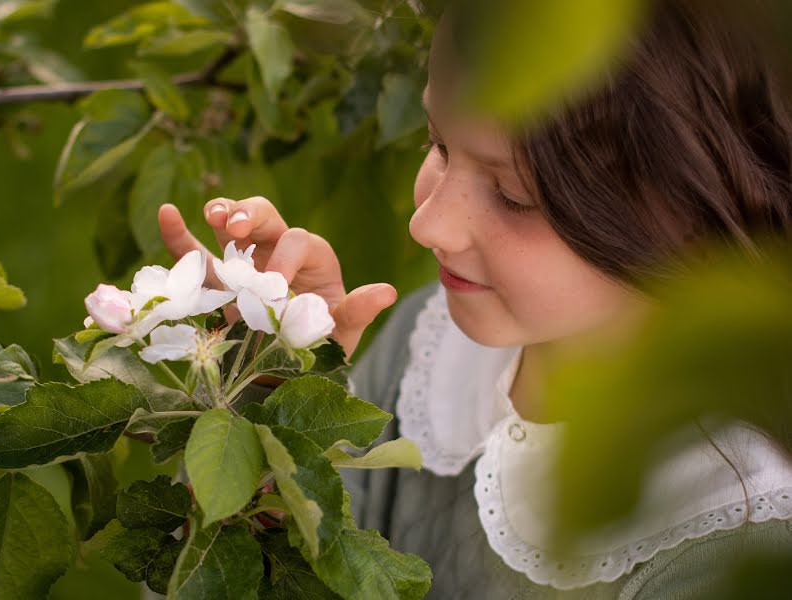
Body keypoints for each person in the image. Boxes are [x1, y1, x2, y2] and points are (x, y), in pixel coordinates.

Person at [155, 1, 792, 597]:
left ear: (700, 223)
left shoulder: (726, 534)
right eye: (438, 144)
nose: (427, 225)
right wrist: (265, 391)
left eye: (514, 194)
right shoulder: (433, 345)